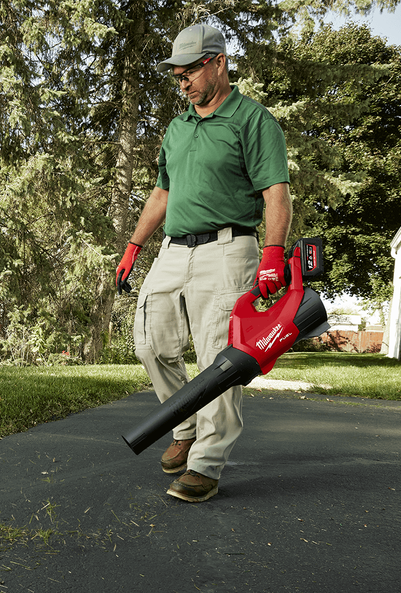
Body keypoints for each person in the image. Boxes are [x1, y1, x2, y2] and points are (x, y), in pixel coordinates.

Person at [115, 24, 292, 503]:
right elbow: (162, 192)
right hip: (173, 249)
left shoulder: (252, 120)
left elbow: (275, 192)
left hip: (228, 250)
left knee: (220, 359)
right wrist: (135, 245)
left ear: (218, 62)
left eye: (191, 71)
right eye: (177, 75)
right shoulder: (178, 127)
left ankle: (207, 465)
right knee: (150, 342)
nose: (184, 82)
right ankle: (185, 423)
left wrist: (273, 253)